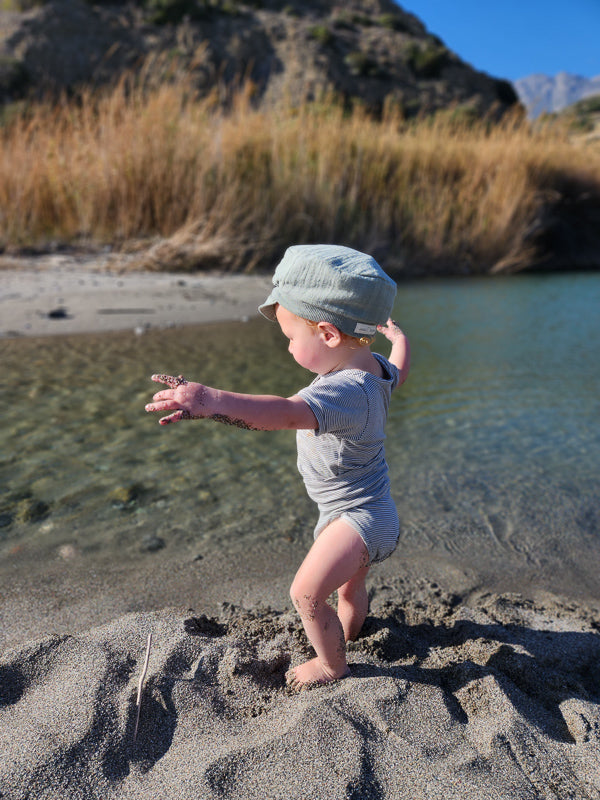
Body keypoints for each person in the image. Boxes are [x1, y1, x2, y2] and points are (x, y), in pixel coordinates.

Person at [145, 244, 410, 689]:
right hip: (369, 511)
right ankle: (347, 632)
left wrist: (210, 402)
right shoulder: (376, 370)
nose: (287, 346)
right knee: (348, 588)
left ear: (327, 334)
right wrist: (400, 340)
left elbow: (283, 413)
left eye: (290, 337)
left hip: (358, 519)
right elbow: (400, 369)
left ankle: (332, 665)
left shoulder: (344, 393)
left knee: (305, 593)